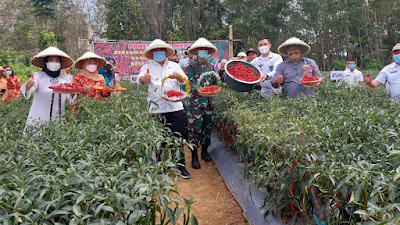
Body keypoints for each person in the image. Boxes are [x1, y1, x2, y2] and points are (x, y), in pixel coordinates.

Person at [137, 39, 191, 179]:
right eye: (156, 51)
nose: (159, 53)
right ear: (152, 53)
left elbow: (184, 80)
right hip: (156, 108)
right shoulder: (147, 66)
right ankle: (161, 167)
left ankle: (180, 166)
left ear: (166, 53)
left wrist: (178, 77)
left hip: (175, 107)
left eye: (161, 51)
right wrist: (145, 78)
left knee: (177, 138)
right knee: (159, 139)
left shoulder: (174, 65)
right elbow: (140, 80)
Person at [20, 46, 75, 134]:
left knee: (56, 142)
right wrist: (28, 86)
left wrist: (73, 92)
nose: (54, 63)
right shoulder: (38, 76)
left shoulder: (65, 79)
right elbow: (30, 90)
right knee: (37, 141)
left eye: (57, 60)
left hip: (59, 119)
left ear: (60, 63)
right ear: (46, 62)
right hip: (39, 118)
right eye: (51, 60)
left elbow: (70, 99)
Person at [184, 37, 218, 169]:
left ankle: (204, 151)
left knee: (207, 127)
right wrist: (198, 89)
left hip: (209, 102)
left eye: (205, 50)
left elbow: (214, 81)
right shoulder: (191, 66)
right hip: (195, 103)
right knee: (194, 129)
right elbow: (189, 84)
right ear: (196, 52)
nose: (203, 52)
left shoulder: (210, 66)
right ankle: (194, 156)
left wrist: (214, 88)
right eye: (200, 50)